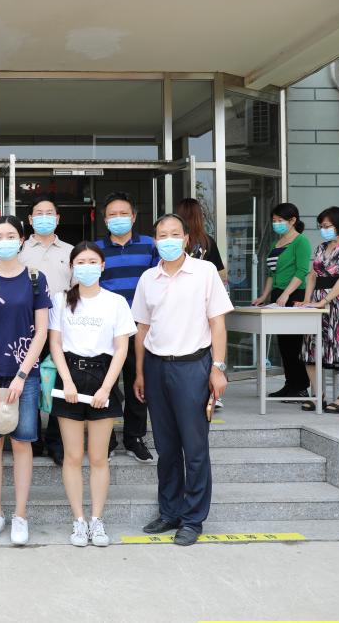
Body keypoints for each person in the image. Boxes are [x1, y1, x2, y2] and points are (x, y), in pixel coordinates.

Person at [132, 214, 233, 546]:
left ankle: (192, 519)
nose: (169, 240)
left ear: (187, 239)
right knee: (166, 447)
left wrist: (217, 367)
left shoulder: (204, 272)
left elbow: (217, 324)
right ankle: (170, 512)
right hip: (156, 367)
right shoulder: (148, 278)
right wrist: (140, 372)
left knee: (195, 447)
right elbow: (142, 328)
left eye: (175, 234)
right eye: (162, 235)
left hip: (193, 367)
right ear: (155, 241)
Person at [0, 215, 51, 546]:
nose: (4, 241)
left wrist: (21, 375)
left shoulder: (35, 278)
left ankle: (20, 515)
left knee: (21, 442)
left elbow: (42, 332)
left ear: (21, 239)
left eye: (10, 235)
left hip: (24, 375)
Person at [48, 241, 135, 548]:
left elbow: (121, 348)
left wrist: (107, 388)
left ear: (102, 266)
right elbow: (55, 343)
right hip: (70, 375)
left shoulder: (116, 302)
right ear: (72, 267)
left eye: (92, 261)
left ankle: (97, 520)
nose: (86, 267)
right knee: (72, 456)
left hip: (103, 376)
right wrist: (67, 382)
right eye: (80, 262)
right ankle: (79, 520)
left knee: (98, 458)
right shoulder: (61, 300)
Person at [95, 191, 157, 463]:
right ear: (104, 219)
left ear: (133, 217)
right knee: (105, 383)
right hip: (106, 327)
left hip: (140, 326)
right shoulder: (96, 249)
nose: (118, 218)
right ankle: (106, 439)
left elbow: (158, 282)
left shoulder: (150, 245)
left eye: (123, 213)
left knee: (137, 382)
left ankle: (134, 438)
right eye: (112, 214)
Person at [19, 195, 74, 465]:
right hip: (27, 327)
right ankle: (32, 438)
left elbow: (77, 290)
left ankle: (55, 440)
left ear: (58, 218)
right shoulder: (19, 250)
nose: (44, 217)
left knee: (59, 381)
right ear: (30, 219)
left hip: (61, 328)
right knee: (31, 380)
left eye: (49, 212)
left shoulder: (70, 251)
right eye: (38, 213)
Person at [297, 206, 339, 413]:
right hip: (317, 301)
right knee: (310, 347)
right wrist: (307, 301)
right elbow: (312, 276)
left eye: (327, 226)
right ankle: (318, 395)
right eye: (321, 226)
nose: (323, 229)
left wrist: (324, 300)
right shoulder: (320, 247)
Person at [251, 203, 312, 403]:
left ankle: (301, 387)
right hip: (278, 295)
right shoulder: (276, 243)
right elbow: (272, 274)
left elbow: (302, 271)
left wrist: (286, 294)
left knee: (294, 344)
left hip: (294, 294)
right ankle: (290, 384)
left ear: (292, 220)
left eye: (280, 220)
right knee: (284, 344)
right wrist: (264, 296)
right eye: (274, 220)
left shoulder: (301, 241)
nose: (276, 224)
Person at [176, 198, 227, 284]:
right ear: (198, 217)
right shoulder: (207, 241)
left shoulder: (173, 240)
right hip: (202, 289)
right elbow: (221, 275)